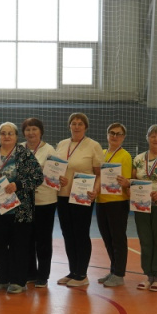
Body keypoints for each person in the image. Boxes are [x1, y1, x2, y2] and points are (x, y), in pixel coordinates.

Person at [0, 122, 44, 294]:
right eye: (3, 133)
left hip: (18, 210)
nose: (6, 136)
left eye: (10, 133)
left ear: (16, 136)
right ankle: (1, 277)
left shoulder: (24, 154)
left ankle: (18, 280)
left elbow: (38, 177)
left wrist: (18, 185)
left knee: (19, 246)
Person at [121, 124, 157, 292]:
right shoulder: (139, 159)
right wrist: (129, 189)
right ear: (147, 138)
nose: (156, 139)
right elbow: (133, 180)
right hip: (142, 207)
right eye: (153, 136)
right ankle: (148, 275)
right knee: (145, 241)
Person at [54, 112, 103, 288]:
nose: (76, 126)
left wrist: (95, 190)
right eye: (73, 123)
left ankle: (82, 274)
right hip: (62, 196)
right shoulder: (62, 144)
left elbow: (100, 174)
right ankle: (73, 271)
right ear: (69, 126)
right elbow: (56, 169)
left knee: (81, 234)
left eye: (80, 124)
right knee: (68, 234)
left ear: (85, 127)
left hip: (82, 197)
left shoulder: (93, 146)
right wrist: (58, 178)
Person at [94, 123, 133, 288]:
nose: (115, 136)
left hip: (117, 202)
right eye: (112, 133)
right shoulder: (101, 154)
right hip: (100, 201)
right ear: (107, 135)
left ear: (123, 137)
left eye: (118, 134)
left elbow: (128, 180)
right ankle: (113, 270)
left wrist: (126, 182)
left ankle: (119, 274)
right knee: (107, 239)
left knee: (118, 239)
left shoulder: (125, 156)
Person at [21, 117, 56, 288]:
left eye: (34, 129)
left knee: (43, 239)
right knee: (26, 238)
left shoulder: (50, 150)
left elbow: (55, 175)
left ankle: (43, 275)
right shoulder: (19, 149)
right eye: (27, 129)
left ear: (41, 131)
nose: (31, 132)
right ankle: (30, 273)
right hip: (24, 201)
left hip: (45, 201)